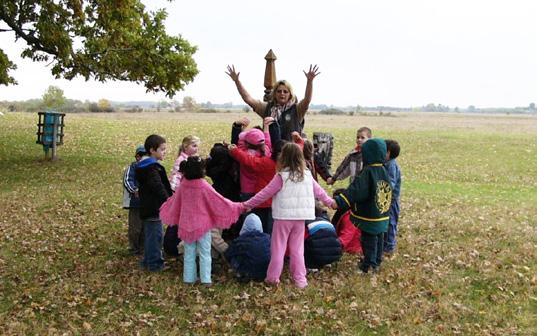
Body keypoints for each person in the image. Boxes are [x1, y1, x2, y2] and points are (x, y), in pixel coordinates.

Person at [243, 142, 335, 288]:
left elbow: (264, 193)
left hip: (283, 218)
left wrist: (247, 205)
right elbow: (320, 192)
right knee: (298, 249)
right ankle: (300, 280)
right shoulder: (307, 175)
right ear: (300, 158)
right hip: (300, 218)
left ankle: (273, 278)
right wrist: (330, 202)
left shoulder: (281, 176)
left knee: (278, 249)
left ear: (283, 158)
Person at [159, 156, 243, 285]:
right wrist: (236, 206)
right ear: (201, 170)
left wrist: (167, 208)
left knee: (189, 253)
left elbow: (175, 201)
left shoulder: (183, 185)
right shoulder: (203, 185)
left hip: (186, 224)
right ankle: (206, 279)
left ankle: (188, 279)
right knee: (205, 253)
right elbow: (217, 199)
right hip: (203, 226)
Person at [333, 138, 392, 274]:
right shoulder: (383, 170)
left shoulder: (368, 172)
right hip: (382, 214)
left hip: (370, 215)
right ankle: (376, 262)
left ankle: (368, 266)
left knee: (368, 240)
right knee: (379, 238)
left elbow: (356, 190)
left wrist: (340, 201)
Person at [226, 64, 320, 141]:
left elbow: (307, 99)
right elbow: (248, 99)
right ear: (274, 94)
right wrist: (237, 81)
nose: (282, 94)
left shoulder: (297, 109)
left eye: (285, 91)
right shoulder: (267, 108)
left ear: (290, 94)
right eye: (279, 91)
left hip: (291, 154)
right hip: (271, 154)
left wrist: (310, 81)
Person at [135, 134, 173, 272]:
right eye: (162, 149)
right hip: (153, 207)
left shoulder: (150, 167)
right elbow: (157, 186)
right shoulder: (151, 168)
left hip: (151, 207)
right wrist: (168, 200)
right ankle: (155, 264)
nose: (164, 152)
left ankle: (147, 261)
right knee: (155, 237)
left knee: (152, 236)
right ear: (152, 150)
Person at [229, 129, 276, 234]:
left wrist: (234, 149)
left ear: (246, 143)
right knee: (263, 218)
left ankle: (248, 236)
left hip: (247, 190)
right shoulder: (266, 153)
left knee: (249, 216)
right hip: (261, 190)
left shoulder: (244, 155)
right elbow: (267, 142)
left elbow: (241, 149)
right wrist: (267, 129)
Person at [225, 213, 271, 283]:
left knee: (235, 255)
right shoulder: (267, 238)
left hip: (247, 272)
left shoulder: (240, 241)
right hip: (265, 271)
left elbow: (228, 253)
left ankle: (241, 273)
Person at [122, 144, 146, 255]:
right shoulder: (132, 168)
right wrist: (134, 190)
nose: (142, 158)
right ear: (136, 156)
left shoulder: (151, 168)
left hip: (147, 204)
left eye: (145, 155)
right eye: (140, 155)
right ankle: (134, 247)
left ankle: (143, 247)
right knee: (135, 227)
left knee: (145, 227)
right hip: (135, 203)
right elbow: (127, 180)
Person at [383, 139, 402, 257]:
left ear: (388, 153)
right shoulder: (386, 163)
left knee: (391, 223)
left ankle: (389, 246)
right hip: (385, 200)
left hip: (391, 200)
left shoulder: (391, 165)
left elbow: (391, 183)